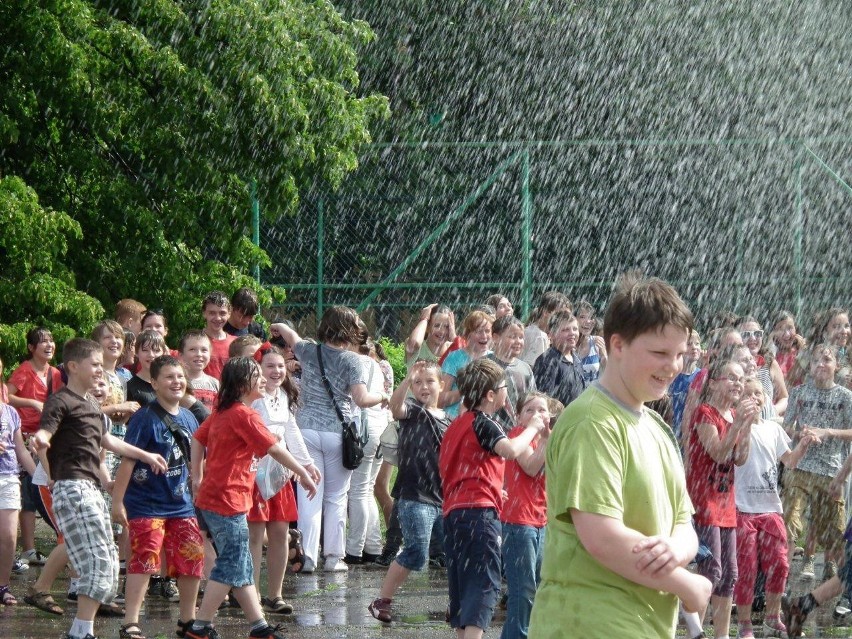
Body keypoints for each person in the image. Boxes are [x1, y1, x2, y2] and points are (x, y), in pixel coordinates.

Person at [527, 273, 711, 639]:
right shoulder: (592, 421)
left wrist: (674, 548)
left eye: (679, 354)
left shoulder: (656, 427)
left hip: (643, 624)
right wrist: (684, 584)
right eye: (659, 353)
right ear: (618, 345)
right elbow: (602, 537)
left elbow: (684, 526)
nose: (672, 366)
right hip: (587, 623)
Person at [29, 337, 168, 639]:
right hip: (72, 487)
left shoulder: (91, 403)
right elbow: (46, 428)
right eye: (94, 364)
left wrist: (144, 454)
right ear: (73, 366)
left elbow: (108, 440)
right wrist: (41, 437)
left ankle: (82, 631)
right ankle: (80, 632)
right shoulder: (61, 400)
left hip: (91, 488)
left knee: (106, 559)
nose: (99, 369)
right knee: (96, 560)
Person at [187, 357, 318, 639]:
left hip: (220, 499)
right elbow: (274, 448)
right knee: (232, 563)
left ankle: (258, 626)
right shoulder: (242, 415)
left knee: (242, 564)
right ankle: (200, 627)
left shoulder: (224, 412)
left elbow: (197, 439)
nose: (262, 378)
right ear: (242, 383)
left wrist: (197, 476)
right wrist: (303, 472)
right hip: (226, 501)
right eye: (256, 374)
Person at [269, 309, 388, 574]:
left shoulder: (309, 351)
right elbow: (360, 399)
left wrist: (278, 326)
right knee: (335, 497)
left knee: (309, 494)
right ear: (348, 330)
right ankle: (334, 557)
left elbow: (292, 336)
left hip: (306, 432)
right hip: (337, 434)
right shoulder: (353, 361)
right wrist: (381, 396)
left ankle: (308, 557)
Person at [439, 358, 547, 639]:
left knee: (465, 588)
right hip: (478, 516)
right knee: (484, 586)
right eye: (503, 387)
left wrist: (490, 486)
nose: (506, 392)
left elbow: (459, 468)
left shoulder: (456, 425)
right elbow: (510, 450)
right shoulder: (484, 423)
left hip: (454, 514)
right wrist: (533, 428)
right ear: (490, 395)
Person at [111, 355, 204, 639]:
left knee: (192, 560)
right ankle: (131, 623)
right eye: (168, 377)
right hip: (146, 504)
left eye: (179, 377)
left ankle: (187, 619)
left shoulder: (188, 417)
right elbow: (127, 460)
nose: (176, 382)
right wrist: (117, 502)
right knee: (144, 560)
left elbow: (195, 460)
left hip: (182, 504)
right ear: (154, 383)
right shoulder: (144, 418)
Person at [368, 359, 450, 623]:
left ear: (442, 384)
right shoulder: (413, 411)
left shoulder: (449, 421)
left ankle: (457, 603)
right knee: (416, 552)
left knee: (453, 552)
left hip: (442, 498)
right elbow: (395, 406)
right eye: (418, 382)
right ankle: (381, 600)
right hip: (415, 496)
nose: (424, 386)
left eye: (429, 381)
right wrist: (406, 379)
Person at [733, 376, 812, 639]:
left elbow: (788, 461)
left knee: (779, 563)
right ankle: (744, 622)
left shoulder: (772, 429)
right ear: (739, 399)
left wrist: (802, 446)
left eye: (758, 394)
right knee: (746, 568)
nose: (753, 398)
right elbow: (737, 457)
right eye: (747, 394)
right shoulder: (733, 426)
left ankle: (772, 616)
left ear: (766, 399)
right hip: (742, 508)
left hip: (770, 508)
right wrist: (743, 424)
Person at [686, 358, 759, 639]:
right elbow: (717, 452)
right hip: (704, 500)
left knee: (730, 575)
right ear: (714, 383)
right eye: (731, 377)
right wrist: (738, 422)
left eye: (741, 379)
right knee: (712, 569)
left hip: (726, 503)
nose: (738, 383)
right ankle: (695, 629)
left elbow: (739, 459)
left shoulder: (732, 416)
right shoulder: (706, 413)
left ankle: (723, 635)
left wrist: (746, 426)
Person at [249, 347, 319, 613]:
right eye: (270, 366)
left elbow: (291, 429)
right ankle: (252, 594)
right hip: (255, 472)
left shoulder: (283, 394)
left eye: (280, 366)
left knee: (279, 534)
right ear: (259, 369)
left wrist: (307, 463)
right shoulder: (253, 398)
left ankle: (274, 595)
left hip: (279, 472)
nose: (276, 371)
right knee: (255, 536)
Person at [783, 344, 852, 580]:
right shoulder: (799, 392)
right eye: (815, 361)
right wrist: (799, 434)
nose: (821, 364)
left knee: (834, 527)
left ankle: (832, 571)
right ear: (809, 366)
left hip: (831, 470)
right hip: (800, 466)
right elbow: (786, 428)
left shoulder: (845, 397)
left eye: (826, 360)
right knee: (790, 520)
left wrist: (828, 432)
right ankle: (782, 574)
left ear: (836, 366)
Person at [7, 326, 64, 567]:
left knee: (48, 489)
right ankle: (28, 548)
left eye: (51, 341)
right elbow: (6, 396)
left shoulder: (56, 373)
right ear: (31, 348)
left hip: (49, 437)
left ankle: (59, 543)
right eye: (42, 342)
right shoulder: (24, 370)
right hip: (26, 437)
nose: (49, 345)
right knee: (28, 494)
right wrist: (30, 401)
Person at [500, 391, 555, 639]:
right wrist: (543, 439)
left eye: (542, 410)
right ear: (519, 417)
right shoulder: (517, 436)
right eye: (529, 410)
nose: (536, 415)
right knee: (522, 592)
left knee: (539, 587)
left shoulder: (548, 438)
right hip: (518, 521)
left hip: (541, 521)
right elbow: (531, 467)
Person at [345, 339, 388, 564]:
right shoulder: (375, 363)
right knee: (367, 488)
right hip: (380, 427)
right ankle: (372, 546)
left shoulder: (357, 362)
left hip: (366, 428)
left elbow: (357, 399)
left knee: (358, 490)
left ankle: (354, 549)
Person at [0, 368, 37, 606]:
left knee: (9, 535)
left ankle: (2, 585)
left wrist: (41, 477)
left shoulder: (11, 412)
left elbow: (21, 450)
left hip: (8, 477)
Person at [439, 310, 494, 418]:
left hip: (485, 422)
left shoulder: (494, 359)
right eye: (478, 331)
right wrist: (467, 390)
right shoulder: (455, 358)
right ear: (467, 335)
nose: (484, 336)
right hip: (455, 420)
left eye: (487, 331)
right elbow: (440, 400)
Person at [487, 315, 536, 432]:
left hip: (521, 431)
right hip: (491, 431)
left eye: (521, 337)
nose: (518, 341)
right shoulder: (485, 366)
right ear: (495, 338)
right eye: (513, 337)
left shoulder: (525, 369)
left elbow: (532, 400)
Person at [531, 310, 586, 408]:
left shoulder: (576, 359)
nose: (572, 333)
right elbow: (545, 400)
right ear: (552, 334)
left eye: (575, 329)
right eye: (565, 330)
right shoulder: (547, 361)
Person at [520, 292, 570, 368]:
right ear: (546, 312)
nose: (564, 319)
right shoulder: (540, 337)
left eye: (566, 316)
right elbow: (532, 370)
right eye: (560, 314)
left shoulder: (530, 330)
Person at [180, 330, 219, 412]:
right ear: (181, 355)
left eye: (204, 350)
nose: (199, 354)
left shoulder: (215, 384)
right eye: (192, 349)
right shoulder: (178, 382)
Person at [201, 291, 236, 381]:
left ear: (229, 313)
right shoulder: (194, 341)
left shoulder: (236, 343)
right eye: (212, 313)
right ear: (204, 313)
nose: (217, 318)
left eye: (222, 313)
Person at [126, 329, 167, 406]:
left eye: (156, 350)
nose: (151, 355)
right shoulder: (131, 387)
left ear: (164, 353)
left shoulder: (169, 383)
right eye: (145, 350)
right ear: (137, 353)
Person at [575, 300, 607, 383]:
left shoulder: (597, 342)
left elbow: (611, 372)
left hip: (593, 394)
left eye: (591, 317)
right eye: (582, 317)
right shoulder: (567, 344)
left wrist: (604, 356)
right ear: (573, 319)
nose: (588, 321)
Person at [769, 311, 804, 380]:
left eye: (790, 328)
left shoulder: (803, 351)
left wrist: (803, 352)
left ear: (796, 329)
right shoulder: (772, 355)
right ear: (773, 333)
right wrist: (770, 343)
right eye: (780, 329)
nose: (787, 334)